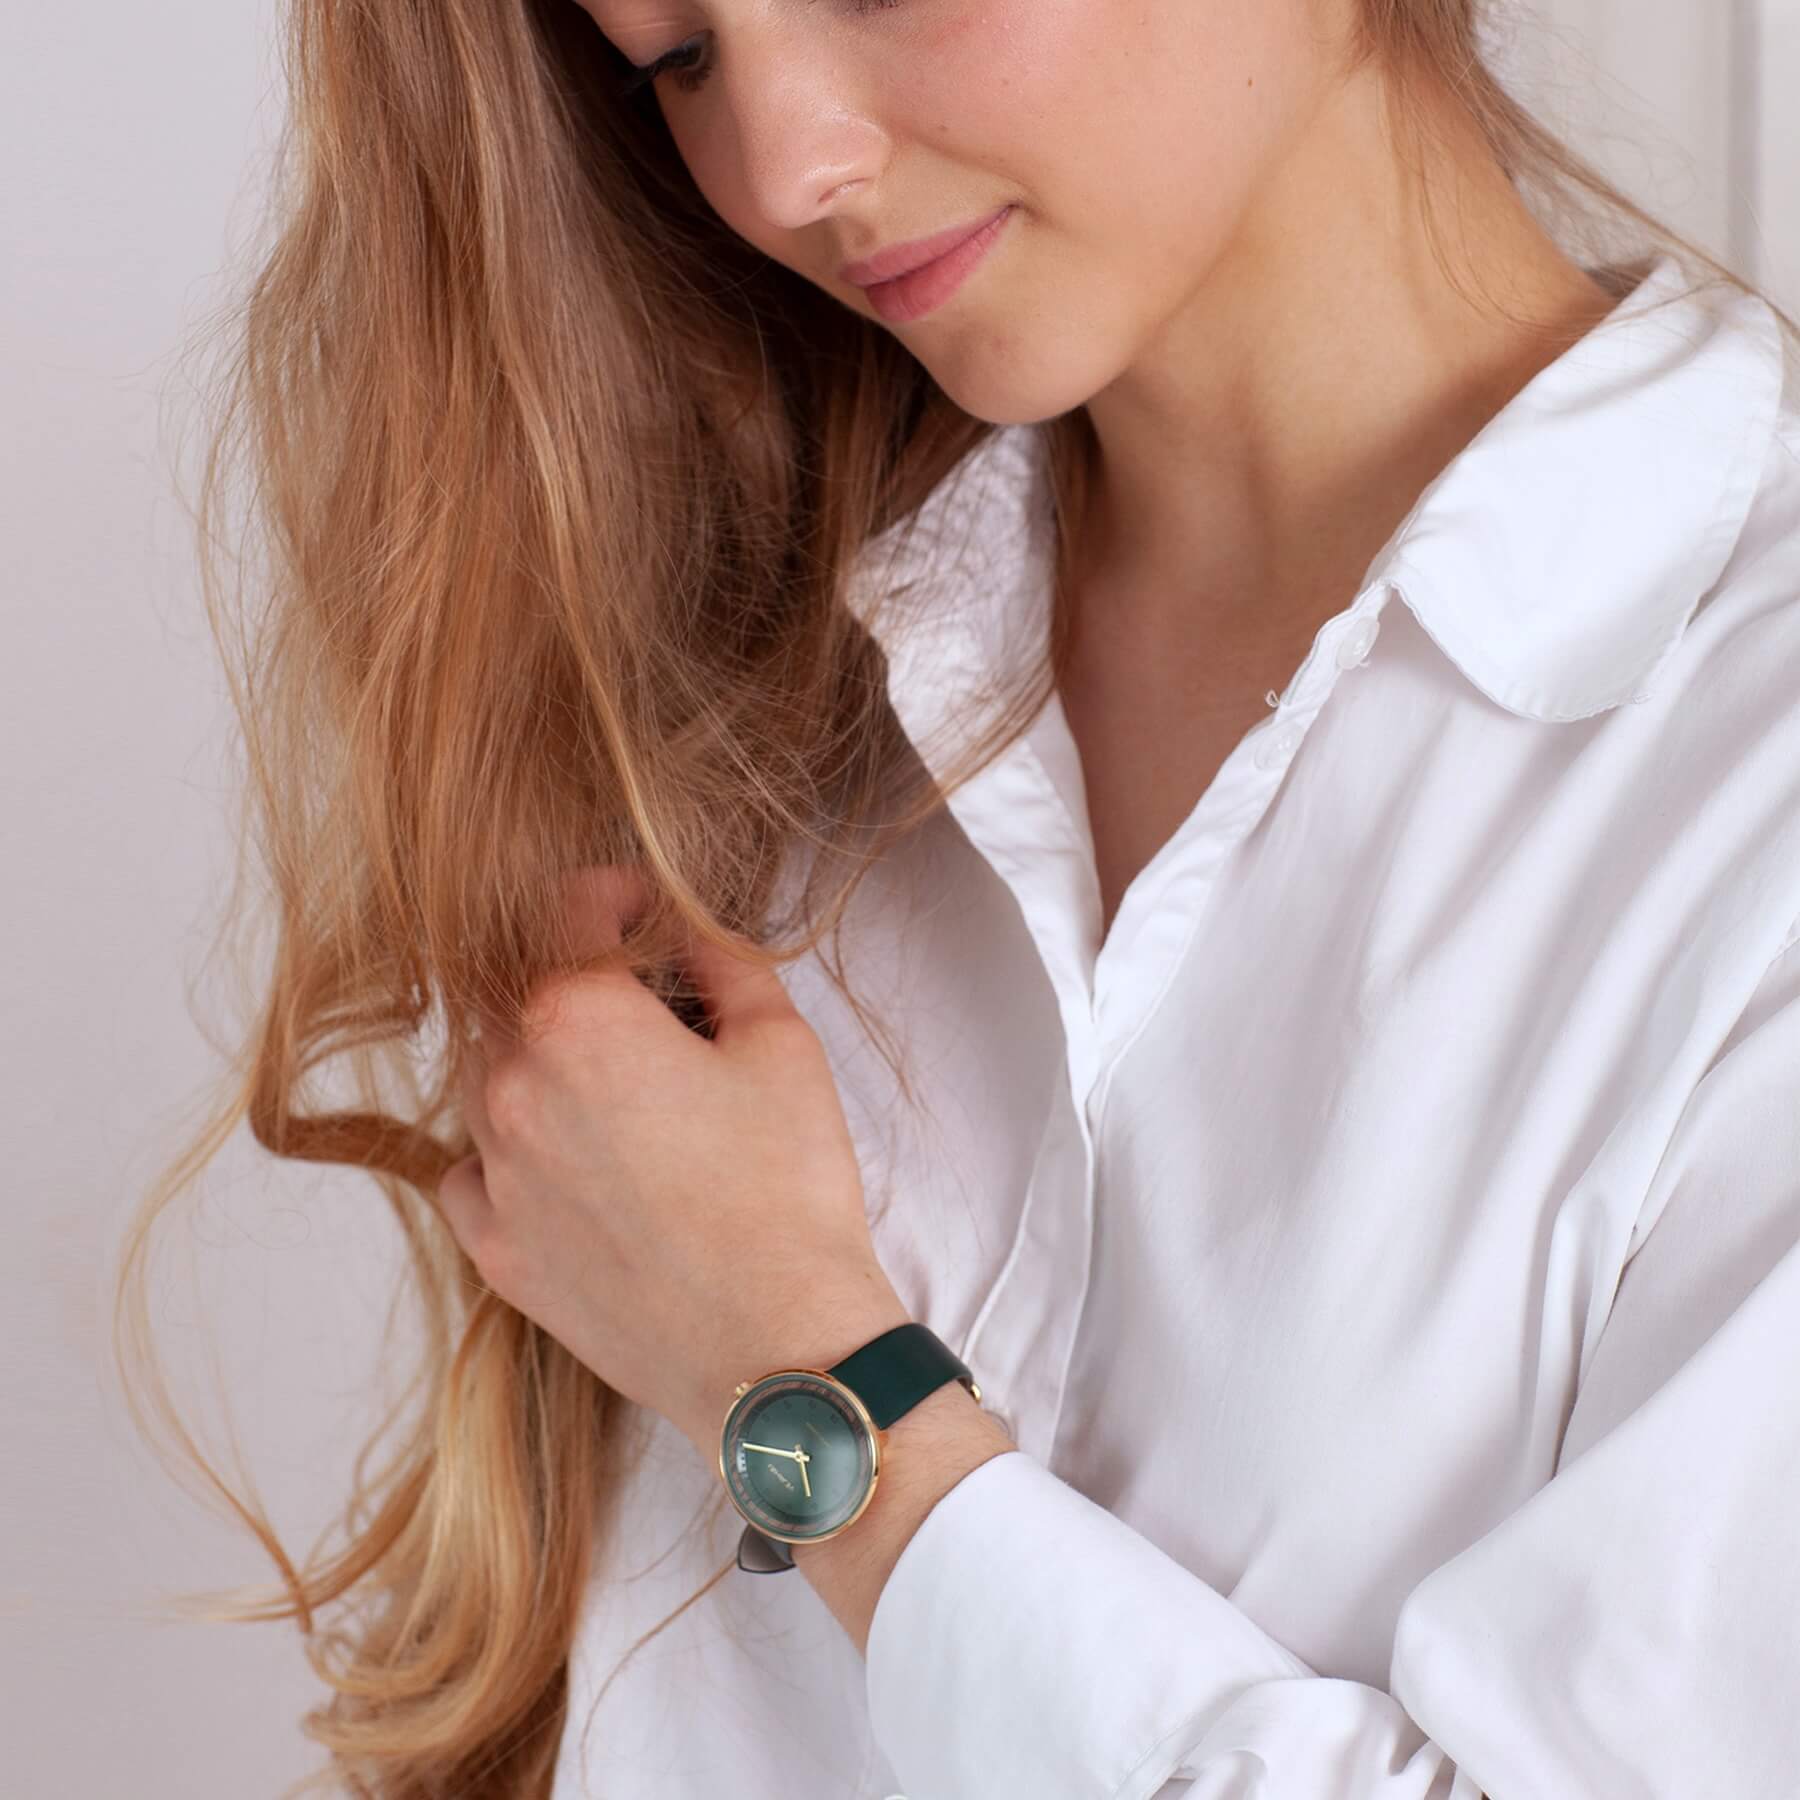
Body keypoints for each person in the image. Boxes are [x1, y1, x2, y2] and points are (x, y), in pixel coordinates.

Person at [118, 0, 1800, 1796]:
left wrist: (807, 1382)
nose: (783, 165)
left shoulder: (1741, 778)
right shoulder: (740, 735)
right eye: (673, 59)